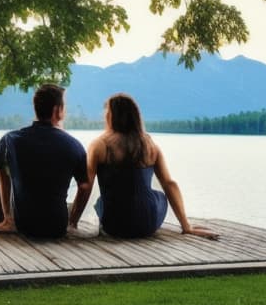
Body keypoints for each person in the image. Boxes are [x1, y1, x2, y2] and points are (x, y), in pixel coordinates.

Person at [0, 84, 91, 238]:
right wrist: (72, 222)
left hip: (23, 224)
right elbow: (84, 186)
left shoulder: (11, 139)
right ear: (57, 111)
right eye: (64, 107)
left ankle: (7, 218)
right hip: (57, 226)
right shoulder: (74, 145)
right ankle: (69, 222)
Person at [84, 93, 218, 239]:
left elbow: (86, 185)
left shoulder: (100, 145)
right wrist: (186, 225)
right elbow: (169, 183)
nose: (104, 117)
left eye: (106, 113)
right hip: (148, 223)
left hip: (115, 225)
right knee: (159, 196)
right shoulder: (149, 145)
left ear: (111, 116)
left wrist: (73, 221)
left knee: (103, 202)